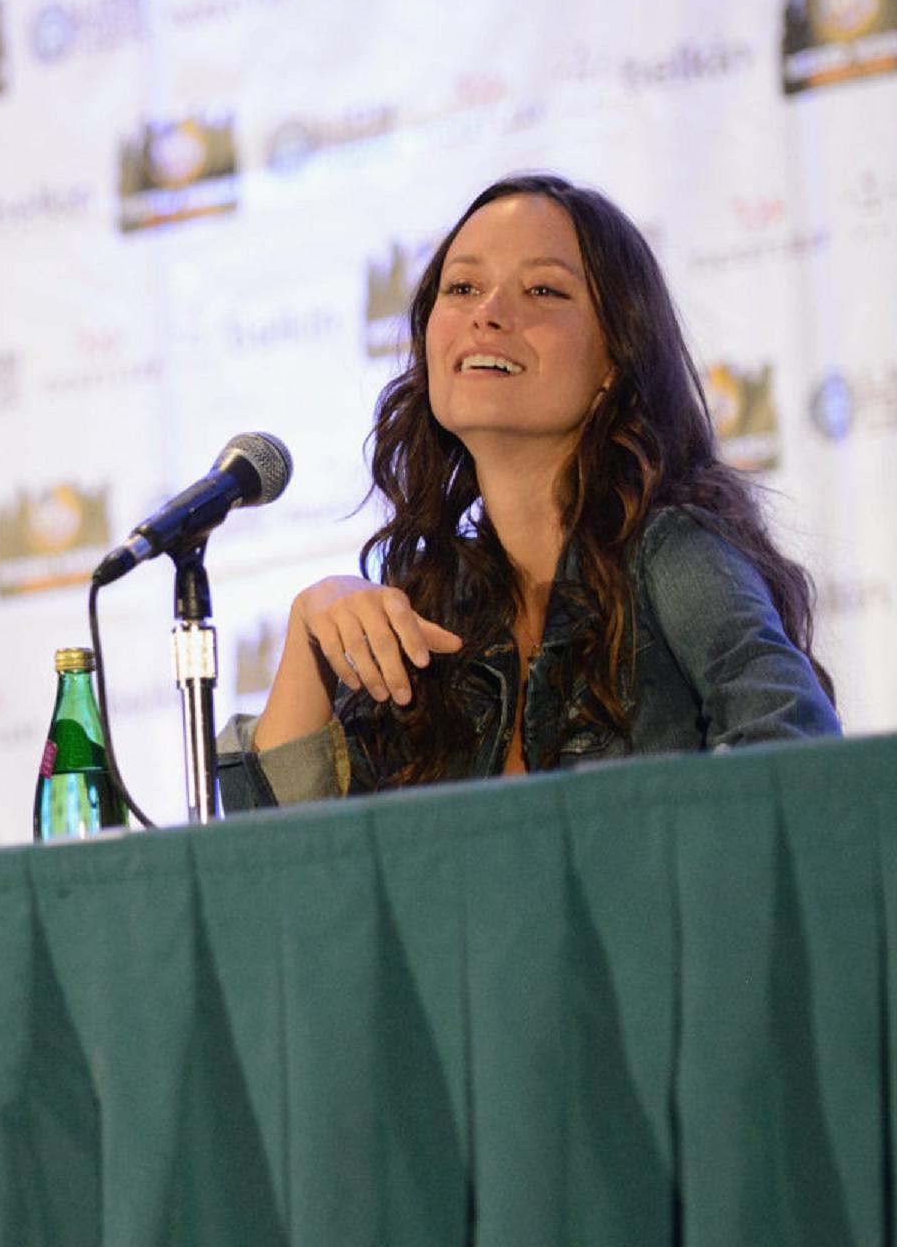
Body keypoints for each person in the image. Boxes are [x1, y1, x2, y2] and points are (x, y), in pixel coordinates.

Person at [220, 173, 839, 808]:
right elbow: (278, 871)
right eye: (462, 287)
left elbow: (796, 759)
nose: (487, 312)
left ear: (614, 363)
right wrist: (309, 633)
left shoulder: (669, 551)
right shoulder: (434, 603)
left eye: (543, 289)